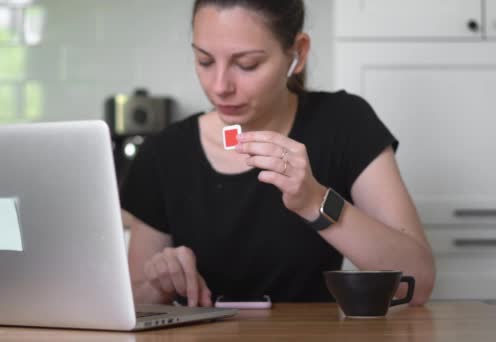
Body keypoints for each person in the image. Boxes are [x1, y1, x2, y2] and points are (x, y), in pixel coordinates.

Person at [121, 0, 435, 307]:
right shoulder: (163, 153)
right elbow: (133, 301)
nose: (219, 86)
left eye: (247, 64)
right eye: (204, 61)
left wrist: (315, 202)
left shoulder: (344, 122)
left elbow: (417, 282)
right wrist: (161, 282)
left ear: (297, 53)